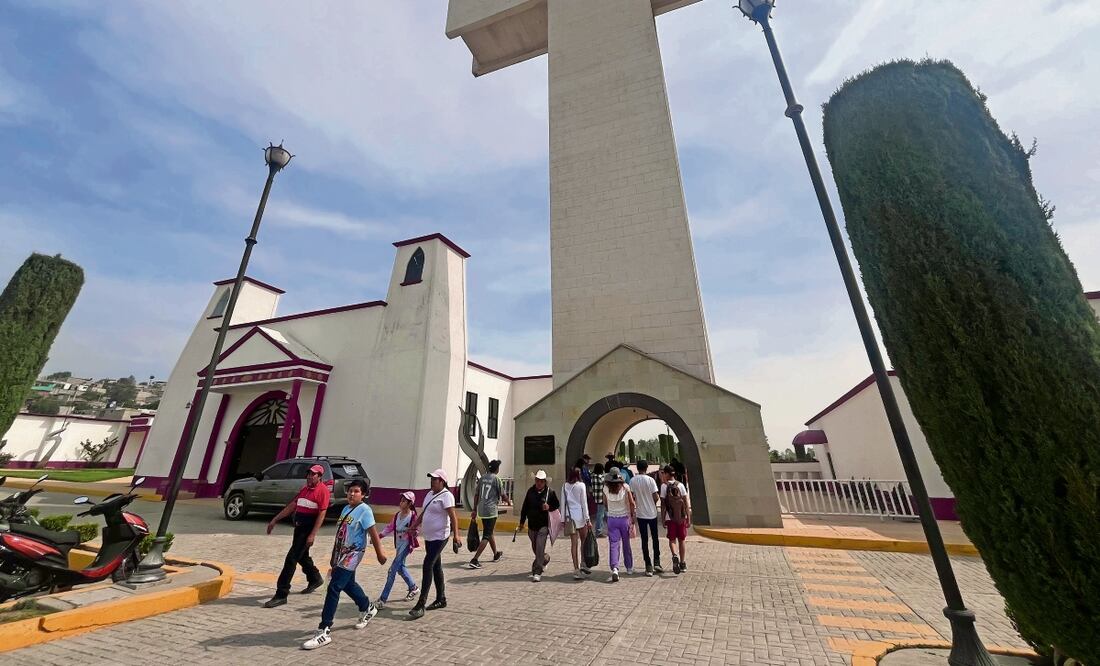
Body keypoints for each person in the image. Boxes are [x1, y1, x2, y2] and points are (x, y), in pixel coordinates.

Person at [301, 479, 386, 650]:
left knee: (334, 587)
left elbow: (373, 533)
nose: (351, 494)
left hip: (353, 554)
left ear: (363, 494)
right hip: (341, 554)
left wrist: (380, 554)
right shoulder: (346, 508)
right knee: (348, 584)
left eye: (356, 491)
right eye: (350, 491)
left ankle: (324, 630)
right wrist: (334, 558)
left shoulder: (365, 510)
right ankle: (367, 607)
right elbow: (341, 534)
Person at [263, 463, 330, 608]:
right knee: (302, 556)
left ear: (319, 477)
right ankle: (314, 578)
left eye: (314, 474)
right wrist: (275, 519)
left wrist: (312, 535)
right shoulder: (305, 489)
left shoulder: (322, 491)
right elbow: (293, 505)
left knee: (291, 559)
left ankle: (281, 594)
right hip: (298, 528)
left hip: (307, 529)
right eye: (309, 474)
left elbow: (322, 513)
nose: (310, 476)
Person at [408, 469, 460, 619]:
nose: (432, 482)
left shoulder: (447, 496)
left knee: (428, 565)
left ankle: (421, 604)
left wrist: (456, 536)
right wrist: (414, 526)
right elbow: (425, 513)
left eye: (435, 479)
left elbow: (453, 517)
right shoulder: (429, 494)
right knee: (436, 566)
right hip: (429, 537)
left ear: (442, 481)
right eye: (431, 479)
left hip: (440, 537)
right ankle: (441, 599)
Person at [376, 490, 419, 609]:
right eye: (401, 500)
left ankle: (383, 599)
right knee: (400, 568)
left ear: (410, 503)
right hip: (399, 545)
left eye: (404, 501)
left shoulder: (412, 516)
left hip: (406, 545)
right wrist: (379, 536)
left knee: (392, 571)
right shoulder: (397, 515)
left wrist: (413, 532)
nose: (401, 503)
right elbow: (390, 527)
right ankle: (413, 587)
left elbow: (416, 530)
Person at [518, 469, 559, 582]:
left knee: (540, 546)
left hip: (543, 525)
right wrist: (522, 522)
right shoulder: (530, 491)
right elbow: (525, 507)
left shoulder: (550, 493)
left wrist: (549, 507)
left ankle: (537, 571)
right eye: (537, 480)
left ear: (545, 482)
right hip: (532, 525)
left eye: (541, 481)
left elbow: (556, 504)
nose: (539, 483)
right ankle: (545, 558)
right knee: (535, 547)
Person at [468, 459, 508, 569]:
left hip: (482, 510)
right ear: (497, 469)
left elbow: (476, 495)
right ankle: (475, 559)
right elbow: (503, 495)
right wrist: (508, 501)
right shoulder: (497, 479)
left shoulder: (482, 478)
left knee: (489, 532)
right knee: (486, 534)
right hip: (491, 511)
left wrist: (474, 509)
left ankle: (496, 554)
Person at [629, 459, 662, 576]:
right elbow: (656, 496)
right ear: (646, 467)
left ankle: (648, 565)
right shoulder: (650, 480)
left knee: (644, 540)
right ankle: (657, 562)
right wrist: (652, 502)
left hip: (641, 513)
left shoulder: (632, 481)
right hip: (652, 513)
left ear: (637, 468)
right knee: (655, 538)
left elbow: (631, 497)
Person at [603, 468, 636, 582]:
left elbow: (605, 503)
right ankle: (629, 567)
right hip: (624, 519)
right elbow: (631, 503)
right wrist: (632, 516)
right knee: (626, 544)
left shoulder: (606, 488)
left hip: (612, 519)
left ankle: (615, 568)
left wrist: (610, 510)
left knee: (614, 544)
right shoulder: (625, 487)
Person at [560, 467, 592, 579]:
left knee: (574, 544)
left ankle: (576, 568)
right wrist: (587, 519)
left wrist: (562, 520)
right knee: (584, 540)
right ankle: (583, 562)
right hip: (580, 517)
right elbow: (584, 504)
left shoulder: (564, 486)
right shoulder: (581, 486)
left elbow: (563, 503)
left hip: (570, 517)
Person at [661, 465, 692, 574]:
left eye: (663, 473)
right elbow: (686, 502)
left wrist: (663, 518)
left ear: (666, 474)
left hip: (670, 517)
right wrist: (688, 517)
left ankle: (675, 555)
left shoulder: (664, 487)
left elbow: (663, 505)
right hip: (681, 517)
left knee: (672, 539)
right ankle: (683, 563)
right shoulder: (681, 485)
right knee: (682, 540)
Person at [590, 463, 607, 537]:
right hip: (602, 497)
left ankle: (601, 529)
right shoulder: (601, 477)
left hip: (596, 497)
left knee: (603, 514)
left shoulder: (593, 476)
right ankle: (598, 531)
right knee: (600, 515)